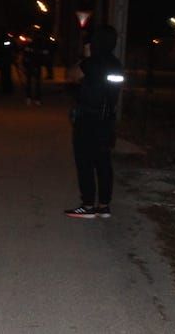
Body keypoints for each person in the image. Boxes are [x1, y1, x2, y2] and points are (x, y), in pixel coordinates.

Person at [65, 24, 124, 219]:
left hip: (88, 118)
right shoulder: (116, 65)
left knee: (85, 161)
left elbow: (72, 75)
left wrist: (85, 56)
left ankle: (88, 205)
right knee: (104, 162)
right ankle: (104, 205)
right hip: (107, 120)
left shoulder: (92, 63)